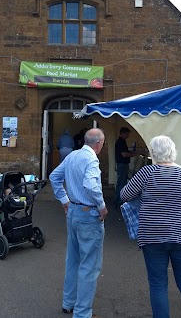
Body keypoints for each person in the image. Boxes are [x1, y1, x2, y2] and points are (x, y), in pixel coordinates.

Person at [120, 135, 181, 318]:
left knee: (158, 285)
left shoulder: (146, 173)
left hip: (153, 235)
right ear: (173, 152)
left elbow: (124, 195)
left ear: (153, 153)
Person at [50, 128, 108, 318]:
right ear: (99, 144)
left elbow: (54, 177)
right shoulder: (91, 159)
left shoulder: (73, 156)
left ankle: (68, 303)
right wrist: (102, 206)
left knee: (73, 260)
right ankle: (82, 313)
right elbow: (91, 186)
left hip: (73, 211)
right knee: (89, 265)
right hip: (87, 213)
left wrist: (65, 200)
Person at [114, 127, 140, 208]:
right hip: (122, 164)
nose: (128, 136)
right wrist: (136, 154)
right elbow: (124, 154)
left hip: (121, 164)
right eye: (127, 134)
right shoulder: (121, 142)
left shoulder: (121, 141)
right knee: (122, 182)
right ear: (123, 133)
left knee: (120, 182)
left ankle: (117, 199)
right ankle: (119, 201)